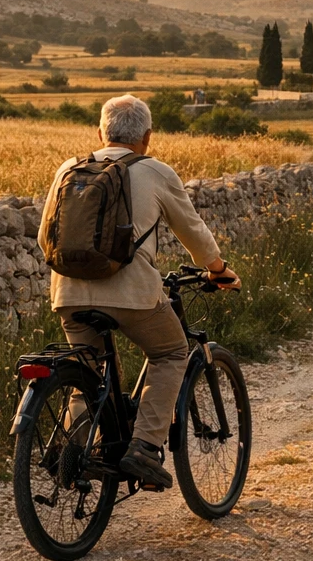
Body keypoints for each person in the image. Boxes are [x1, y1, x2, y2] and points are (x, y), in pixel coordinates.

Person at [38, 94, 239, 489]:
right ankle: (144, 448)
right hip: (132, 296)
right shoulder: (155, 171)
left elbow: (46, 234)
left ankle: (72, 451)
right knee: (171, 351)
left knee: (89, 368)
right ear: (148, 137)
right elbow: (193, 233)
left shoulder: (68, 169)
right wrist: (218, 269)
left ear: (100, 132)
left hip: (69, 293)